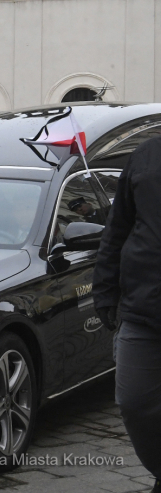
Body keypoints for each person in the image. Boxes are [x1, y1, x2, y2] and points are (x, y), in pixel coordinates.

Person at [94, 138, 161, 492]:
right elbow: (117, 229)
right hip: (143, 311)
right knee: (135, 403)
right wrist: (104, 289)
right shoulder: (145, 156)